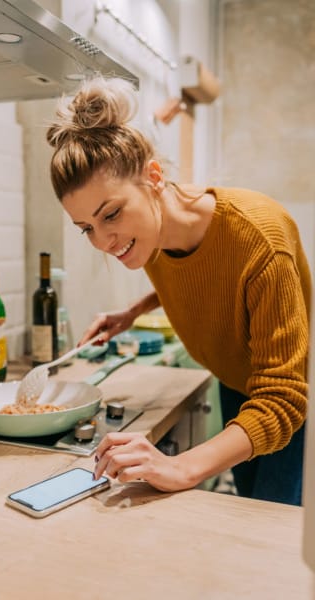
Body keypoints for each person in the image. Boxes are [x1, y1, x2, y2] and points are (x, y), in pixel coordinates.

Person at [46, 76, 311, 506]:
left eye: (110, 214)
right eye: (86, 229)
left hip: (291, 399)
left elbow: (283, 400)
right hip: (237, 382)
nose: (103, 242)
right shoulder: (150, 235)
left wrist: (181, 465)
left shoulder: (261, 238)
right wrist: (132, 311)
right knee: (246, 508)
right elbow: (195, 272)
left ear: (153, 177)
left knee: (270, 534)